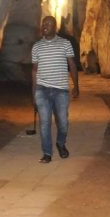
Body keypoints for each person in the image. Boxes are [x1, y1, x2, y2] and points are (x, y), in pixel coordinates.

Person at [31, 16, 80, 163]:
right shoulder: (36, 47)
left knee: (63, 122)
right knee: (44, 122)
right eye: (43, 23)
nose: (45, 26)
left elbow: (71, 65)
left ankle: (60, 143)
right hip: (42, 89)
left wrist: (76, 85)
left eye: (48, 24)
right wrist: (33, 92)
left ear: (55, 27)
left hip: (60, 90)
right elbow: (34, 70)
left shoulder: (65, 44)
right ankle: (47, 153)